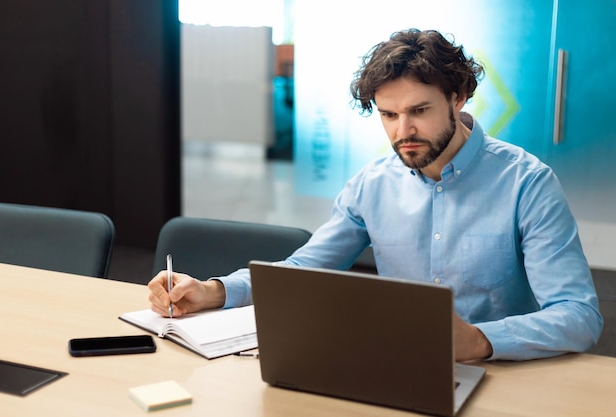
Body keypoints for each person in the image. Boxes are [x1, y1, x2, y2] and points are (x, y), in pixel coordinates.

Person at [149, 28, 603, 362]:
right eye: (388, 115)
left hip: (503, 372)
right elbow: (303, 270)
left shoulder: (527, 183)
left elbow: (579, 315)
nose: (402, 131)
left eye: (419, 111)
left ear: (459, 96)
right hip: (400, 366)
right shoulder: (372, 184)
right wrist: (212, 292)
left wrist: (481, 340)